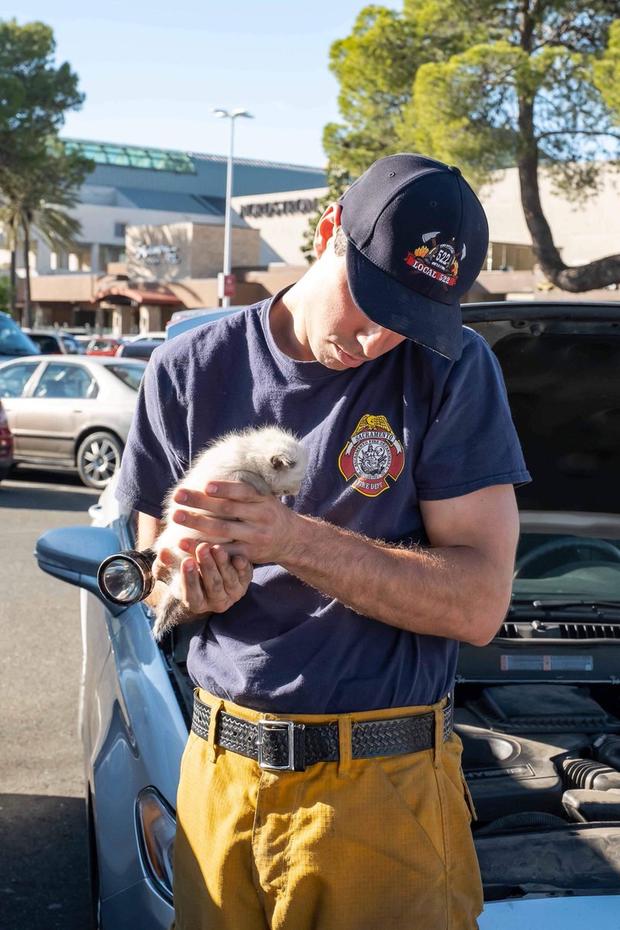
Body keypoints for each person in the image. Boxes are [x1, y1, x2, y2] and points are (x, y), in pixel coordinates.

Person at [115, 152, 530, 930]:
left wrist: (292, 540)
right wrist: (188, 586)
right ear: (330, 229)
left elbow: (478, 603)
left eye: (407, 318)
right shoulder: (187, 370)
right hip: (221, 780)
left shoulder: (453, 369)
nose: (375, 339)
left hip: (387, 793)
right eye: (370, 300)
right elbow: (150, 574)